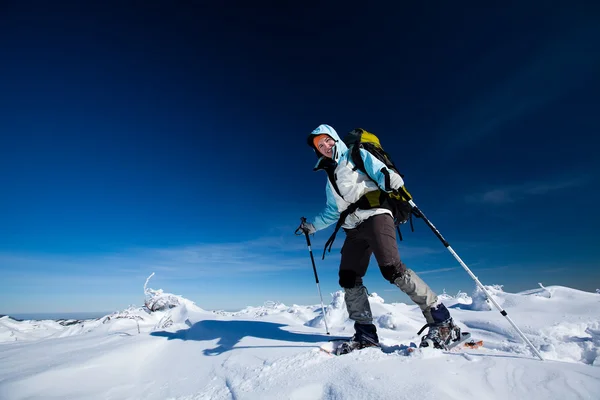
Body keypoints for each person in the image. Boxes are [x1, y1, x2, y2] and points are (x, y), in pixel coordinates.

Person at [299, 123, 458, 351]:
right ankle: (366, 335)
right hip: (353, 227)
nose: (325, 146)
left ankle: (442, 322)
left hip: (375, 216)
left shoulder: (356, 155)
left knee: (392, 268)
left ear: (334, 138)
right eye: (319, 145)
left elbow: (380, 171)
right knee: (348, 278)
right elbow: (332, 212)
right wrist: (311, 227)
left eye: (327, 140)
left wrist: (390, 178)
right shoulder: (330, 176)